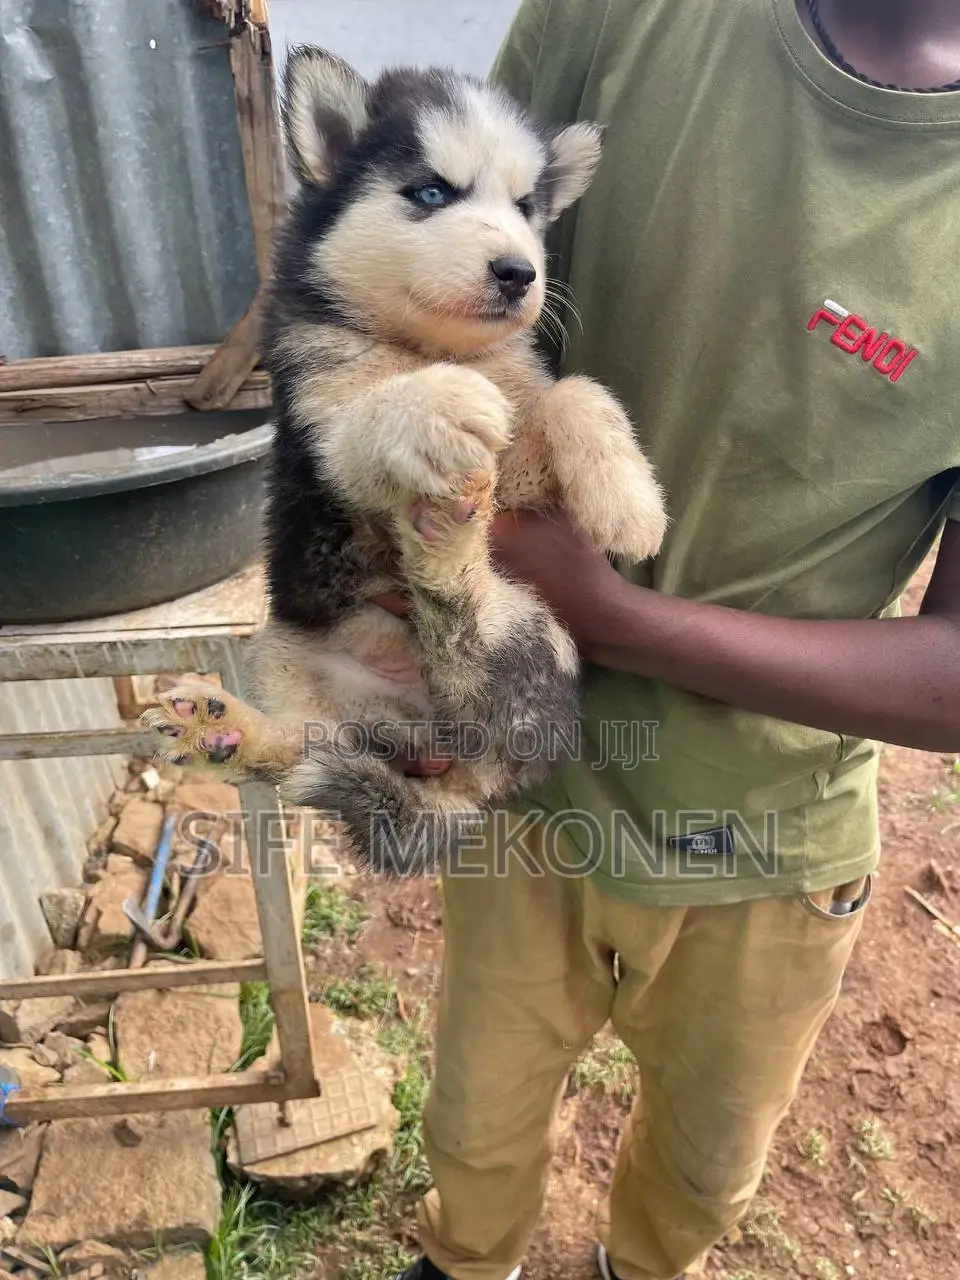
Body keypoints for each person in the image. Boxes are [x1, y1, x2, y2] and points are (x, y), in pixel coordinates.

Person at [394, 2, 960, 1278]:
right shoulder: (623, 15)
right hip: (528, 771)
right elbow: (435, 299)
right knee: (474, 1122)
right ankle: (465, 1259)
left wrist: (615, 619)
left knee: (707, 1167)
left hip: (765, 831)